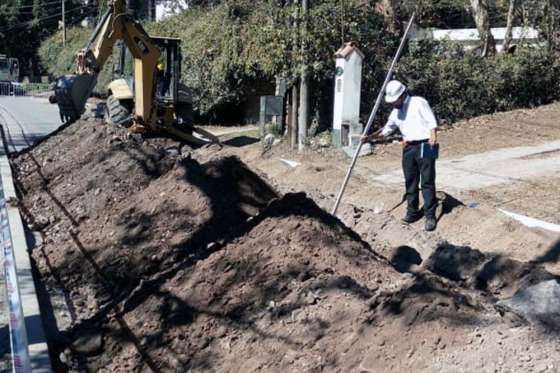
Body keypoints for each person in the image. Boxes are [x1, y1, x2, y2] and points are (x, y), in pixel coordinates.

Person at [362, 80, 439, 231]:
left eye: (395, 100)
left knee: (427, 181)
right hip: (408, 147)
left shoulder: (418, 102)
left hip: (426, 144)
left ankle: (430, 215)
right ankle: (412, 212)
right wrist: (370, 137)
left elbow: (432, 122)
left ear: (403, 95)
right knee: (410, 180)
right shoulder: (395, 112)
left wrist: (433, 138)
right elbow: (386, 130)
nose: (393, 104)